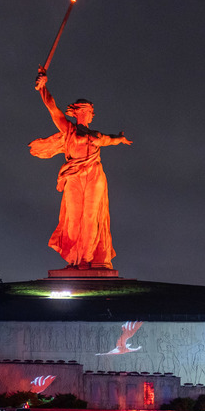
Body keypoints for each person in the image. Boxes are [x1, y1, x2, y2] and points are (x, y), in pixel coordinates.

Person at [30, 70, 132, 269]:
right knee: (74, 219)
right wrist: (43, 88)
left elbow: (111, 140)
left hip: (94, 175)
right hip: (74, 176)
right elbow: (53, 110)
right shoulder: (68, 131)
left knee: (91, 218)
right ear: (78, 112)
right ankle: (74, 259)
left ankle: (87, 258)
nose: (90, 114)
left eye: (91, 111)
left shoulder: (96, 135)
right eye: (87, 110)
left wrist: (121, 139)